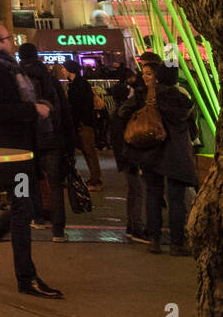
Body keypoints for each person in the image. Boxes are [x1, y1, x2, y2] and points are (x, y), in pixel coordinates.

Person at [0, 22, 63, 299]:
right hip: (11, 153)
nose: (12, 41)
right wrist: (32, 108)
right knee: (24, 208)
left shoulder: (8, 67)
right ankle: (26, 277)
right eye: (8, 38)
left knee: (26, 206)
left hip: (21, 150)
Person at [118, 54, 198, 255]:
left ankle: (154, 240)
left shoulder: (144, 94)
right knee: (176, 200)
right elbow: (192, 128)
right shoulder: (183, 98)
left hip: (151, 152)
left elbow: (121, 112)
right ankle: (176, 243)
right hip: (176, 154)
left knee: (153, 196)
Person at [19, 42, 76, 242]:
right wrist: (69, 141)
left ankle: (35, 217)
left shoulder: (16, 81)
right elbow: (65, 112)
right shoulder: (50, 80)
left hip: (26, 139)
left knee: (26, 180)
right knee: (55, 184)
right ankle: (58, 230)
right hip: (51, 138)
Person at [108, 71, 147, 242]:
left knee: (133, 191)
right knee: (137, 191)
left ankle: (132, 225)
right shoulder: (124, 115)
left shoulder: (115, 114)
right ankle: (136, 227)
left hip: (124, 157)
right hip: (129, 156)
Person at [63, 60, 103, 189]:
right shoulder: (77, 83)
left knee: (89, 151)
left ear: (70, 70)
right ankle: (94, 178)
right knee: (87, 151)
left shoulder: (78, 85)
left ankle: (96, 180)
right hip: (83, 122)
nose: (62, 71)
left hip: (83, 123)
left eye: (64, 68)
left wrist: (78, 121)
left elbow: (80, 106)